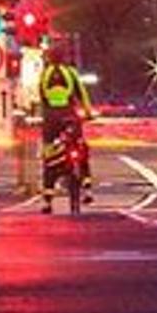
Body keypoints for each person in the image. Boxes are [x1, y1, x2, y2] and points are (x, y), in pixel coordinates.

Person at [37, 41, 94, 209]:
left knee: (49, 156)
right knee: (81, 148)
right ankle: (87, 187)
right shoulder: (71, 73)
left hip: (50, 118)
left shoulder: (44, 74)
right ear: (64, 58)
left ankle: (47, 199)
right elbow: (82, 94)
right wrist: (88, 113)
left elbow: (41, 97)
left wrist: (44, 116)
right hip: (69, 115)